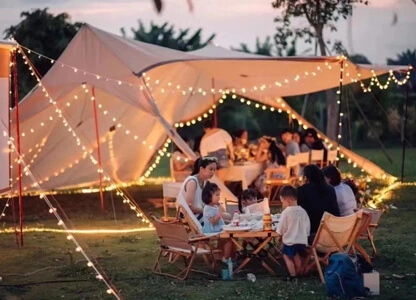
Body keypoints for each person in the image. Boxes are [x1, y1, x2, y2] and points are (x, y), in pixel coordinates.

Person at [276, 185, 310, 281]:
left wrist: (280, 236)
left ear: (287, 201)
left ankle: (293, 275)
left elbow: (281, 228)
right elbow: (307, 226)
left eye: (282, 202)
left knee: (287, 256)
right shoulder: (303, 211)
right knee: (297, 256)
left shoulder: (286, 212)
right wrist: (305, 235)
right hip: (302, 240)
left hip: (290, 241)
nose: (282, 204)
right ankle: (299, 272)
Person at [297, 164, 340, 239]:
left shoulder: (302, 190)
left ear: (306, 177)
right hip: (332, 234)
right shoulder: (330, 189)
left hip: (310, 234)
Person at [177, 156, 218, 223]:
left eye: (214, 170)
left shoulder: (205, 182)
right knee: (220, 221)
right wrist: (206, 211)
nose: (213, 172)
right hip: (189, 216)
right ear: (201, 169)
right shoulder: (192, 182)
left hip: (199, 214)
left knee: (226, 217)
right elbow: (189, 206)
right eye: (210, 169)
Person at [201, 182, 235, 261]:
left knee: (233, 237)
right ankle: (226, 258)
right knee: (229, 239)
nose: (219, 197)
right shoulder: (207, 208)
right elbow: (213, 221)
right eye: (217, 195)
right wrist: (220, 213)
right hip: (211, 230)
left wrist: (226, 220)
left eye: (219, 195)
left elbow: (220, 219)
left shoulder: (215, 206)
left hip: (217, 229)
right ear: (209, 196)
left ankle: (230, 255)